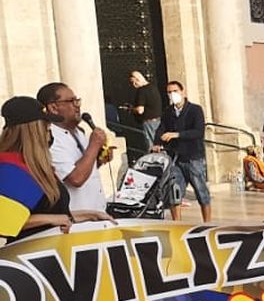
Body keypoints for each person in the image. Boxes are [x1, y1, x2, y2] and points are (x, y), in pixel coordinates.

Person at [0, 96, 112, 239]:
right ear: (34, 131)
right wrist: (52, 219)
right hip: (31, 255)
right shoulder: (12, 169)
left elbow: (54, 213)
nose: (50, 131)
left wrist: (92, 215)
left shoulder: (36, 167)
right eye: (46, 126)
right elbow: (6, 221)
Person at [38, 82, 109, 213]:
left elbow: (85, 167)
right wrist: (94, 146)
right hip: (77, 218)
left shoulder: (78, 132)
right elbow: (76, 178)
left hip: (97, 211)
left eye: (77, 100)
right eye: (71, 101)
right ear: (53, 107)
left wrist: (99, 158)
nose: (77, 106)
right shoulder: (50, 138)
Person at [156, 80, 211, 221]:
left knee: (201, 191)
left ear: (182, 92)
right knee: (174, 191)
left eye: (175, 91)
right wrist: (157, 143)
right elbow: (161, 129)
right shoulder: (168, 112)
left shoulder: (195, 110)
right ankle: (177, 223)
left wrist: (177, 134)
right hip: (175, 158)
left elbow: (198, 132)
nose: (172, 94)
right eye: (169, 92)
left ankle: (208, 222)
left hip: (193, 157)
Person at [125, 70, 162, 147]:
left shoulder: (142, 90)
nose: (133, 84)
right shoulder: (153, 87)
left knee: (151, 145)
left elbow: (140, 110)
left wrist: (131, 109)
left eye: (133, 82)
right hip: (158, 120)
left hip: (148, 122)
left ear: (137, 79)